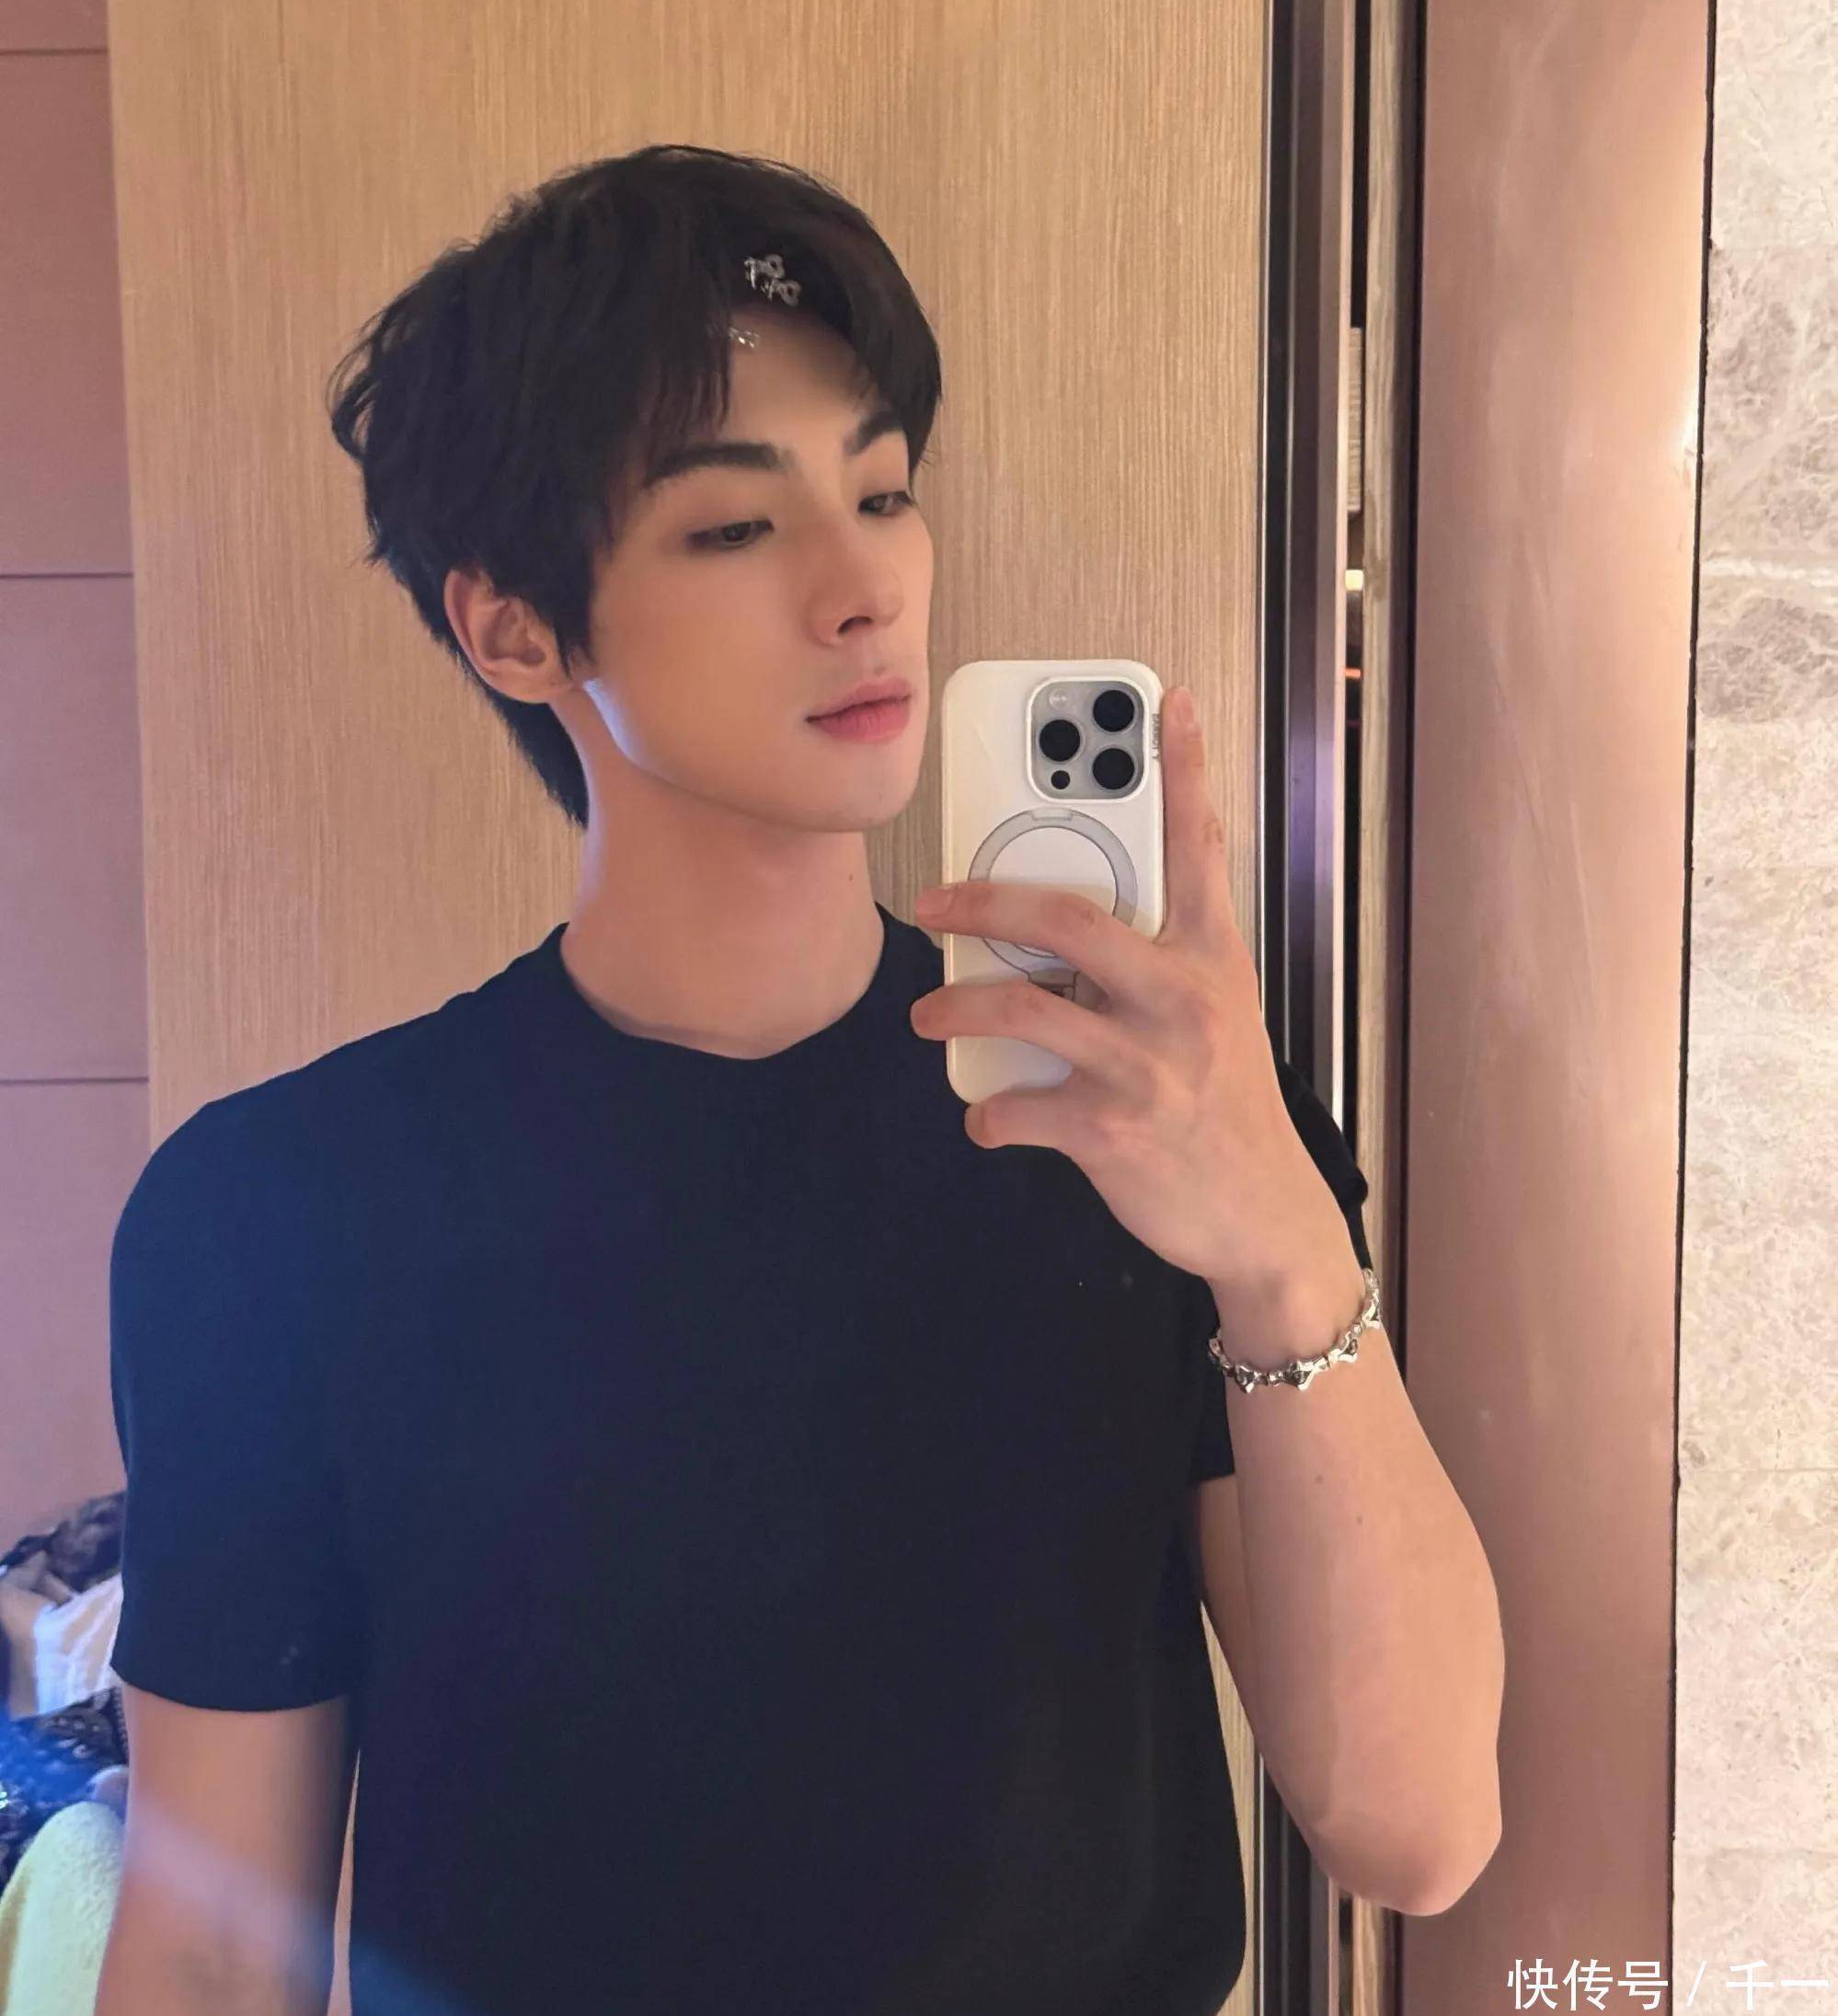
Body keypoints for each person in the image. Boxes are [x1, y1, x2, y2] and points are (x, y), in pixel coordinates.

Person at [98, 144, 1374, 2016]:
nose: (865, 588)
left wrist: (1281, 1247)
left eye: (884, 491)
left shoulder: (1149, 1127)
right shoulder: (276, 1214)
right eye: (731, 526)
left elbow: (1413, 1822)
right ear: (514, 626)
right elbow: (215, 1949)